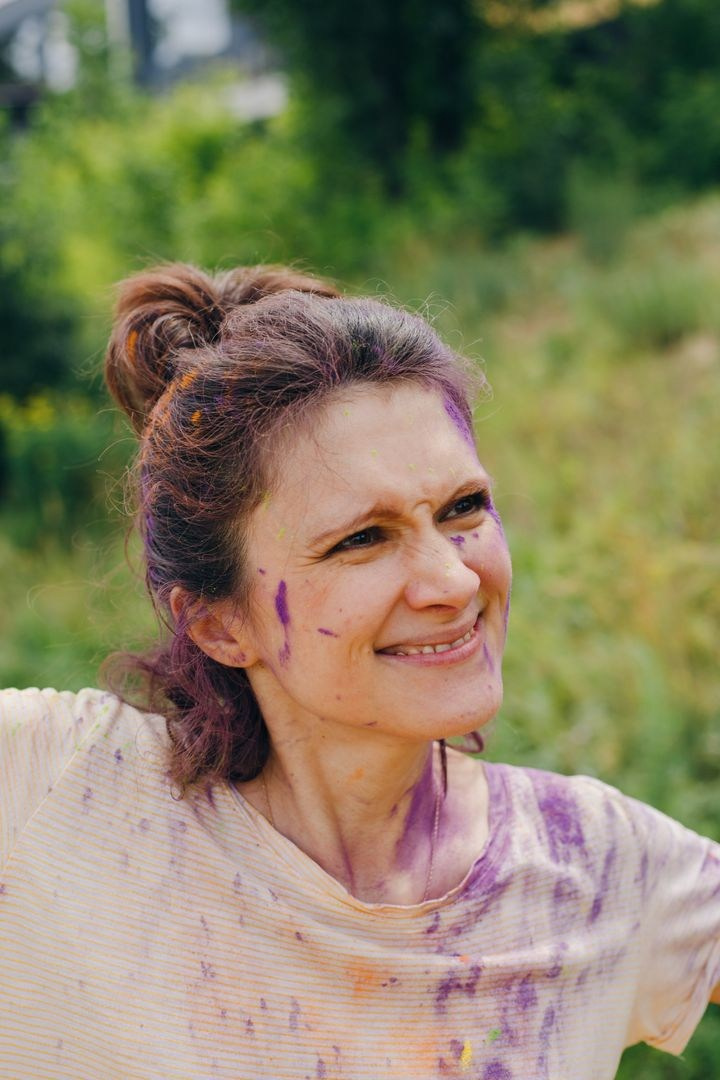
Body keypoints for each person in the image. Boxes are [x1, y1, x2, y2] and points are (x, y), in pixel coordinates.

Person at [1, 263, 718, 1080]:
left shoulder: (594, 867)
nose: (454, 581)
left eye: (463, 508)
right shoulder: (53, 787)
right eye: (362, 539)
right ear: (220, 624)